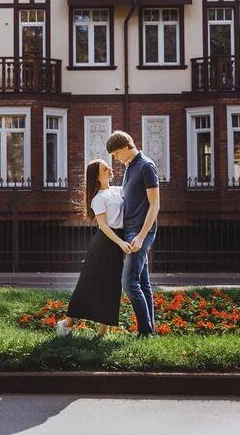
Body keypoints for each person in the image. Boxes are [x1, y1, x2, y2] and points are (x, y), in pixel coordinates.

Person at [57, 159, 133, 337]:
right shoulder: (98, 198)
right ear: (98, 177)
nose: (110, 169)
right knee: (88, 285)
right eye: (105, 168)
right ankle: (66, 325)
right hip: (104, 244)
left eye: (108, 166)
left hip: (116, 243)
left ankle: (101, 334)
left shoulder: (116, 190)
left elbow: (133, 188)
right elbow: (104, 227)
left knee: (111, 286)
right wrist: (121, 243)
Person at [106, 130, 160, 337]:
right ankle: (149, 332)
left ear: (125, 147)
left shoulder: (146, 166)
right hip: (130, 230)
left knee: (129, 283)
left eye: (116, 154)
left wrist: (141, 235)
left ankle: (145, 332)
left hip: (139, 232)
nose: (116, 158)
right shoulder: (130, 167)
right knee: (143, 283)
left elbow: (155, 205)